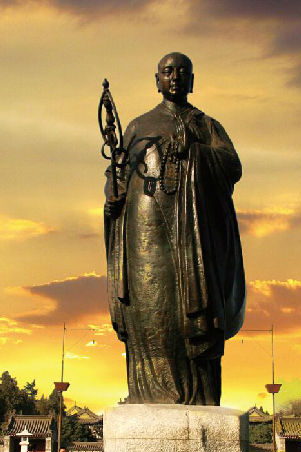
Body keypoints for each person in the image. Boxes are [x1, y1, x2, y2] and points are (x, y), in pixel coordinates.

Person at [104, 52, 246, 406]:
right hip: (144, 230)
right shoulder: (138, 126)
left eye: (182, 72)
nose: (175, 77)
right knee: (148, 307)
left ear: (192, 81)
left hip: (192, 232)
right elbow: (119, 176)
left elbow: (233, 166)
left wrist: (196, 151)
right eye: (168, 72)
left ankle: (197, 393)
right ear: (157, 80)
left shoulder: (205, 125)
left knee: (190, 308)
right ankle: (147, 392)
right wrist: (114, 190)